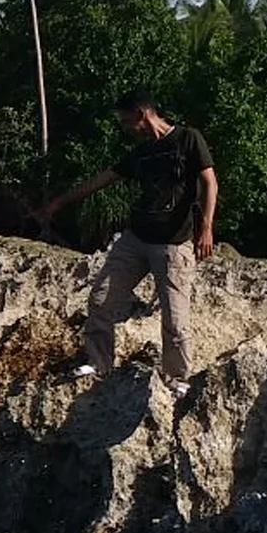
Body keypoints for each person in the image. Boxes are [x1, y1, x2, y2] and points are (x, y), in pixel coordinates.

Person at [33, 89, 219, 400]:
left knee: (175, 319)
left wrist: (207, 228)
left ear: (141, 115)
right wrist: (57, 205)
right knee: (101, 298)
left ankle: (178, 379)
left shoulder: (188, 139)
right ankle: (99, 361)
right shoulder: (141, 154)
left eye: (124, 121)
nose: (124, 128)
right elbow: (99, 181)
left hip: (173, 244)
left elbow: (210, 182)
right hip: (136, 239)